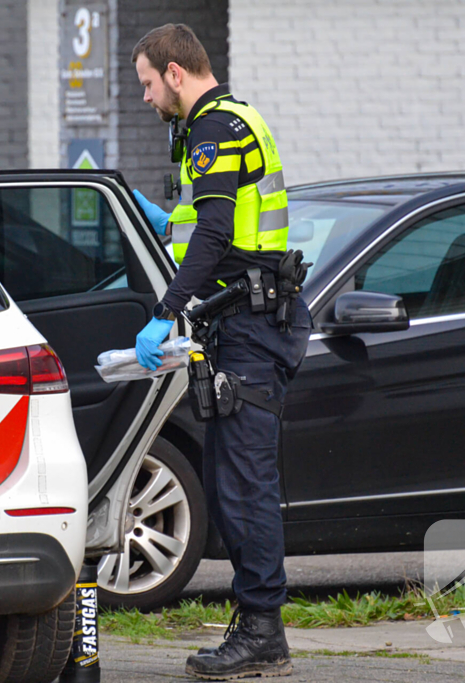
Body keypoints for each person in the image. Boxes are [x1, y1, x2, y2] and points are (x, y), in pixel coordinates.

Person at [131, 23, 311, 681]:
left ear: (175, 73)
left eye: (148, 84)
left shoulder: (214, 129)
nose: (147, 98)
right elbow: (206, 227)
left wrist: (163, 314)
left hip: (249, 330)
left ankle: (263, 632)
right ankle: (257, 626)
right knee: (231, 484)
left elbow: (212, 234)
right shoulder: (226, 124)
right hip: (241, 325)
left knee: (245, 488)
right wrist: (161, 220)